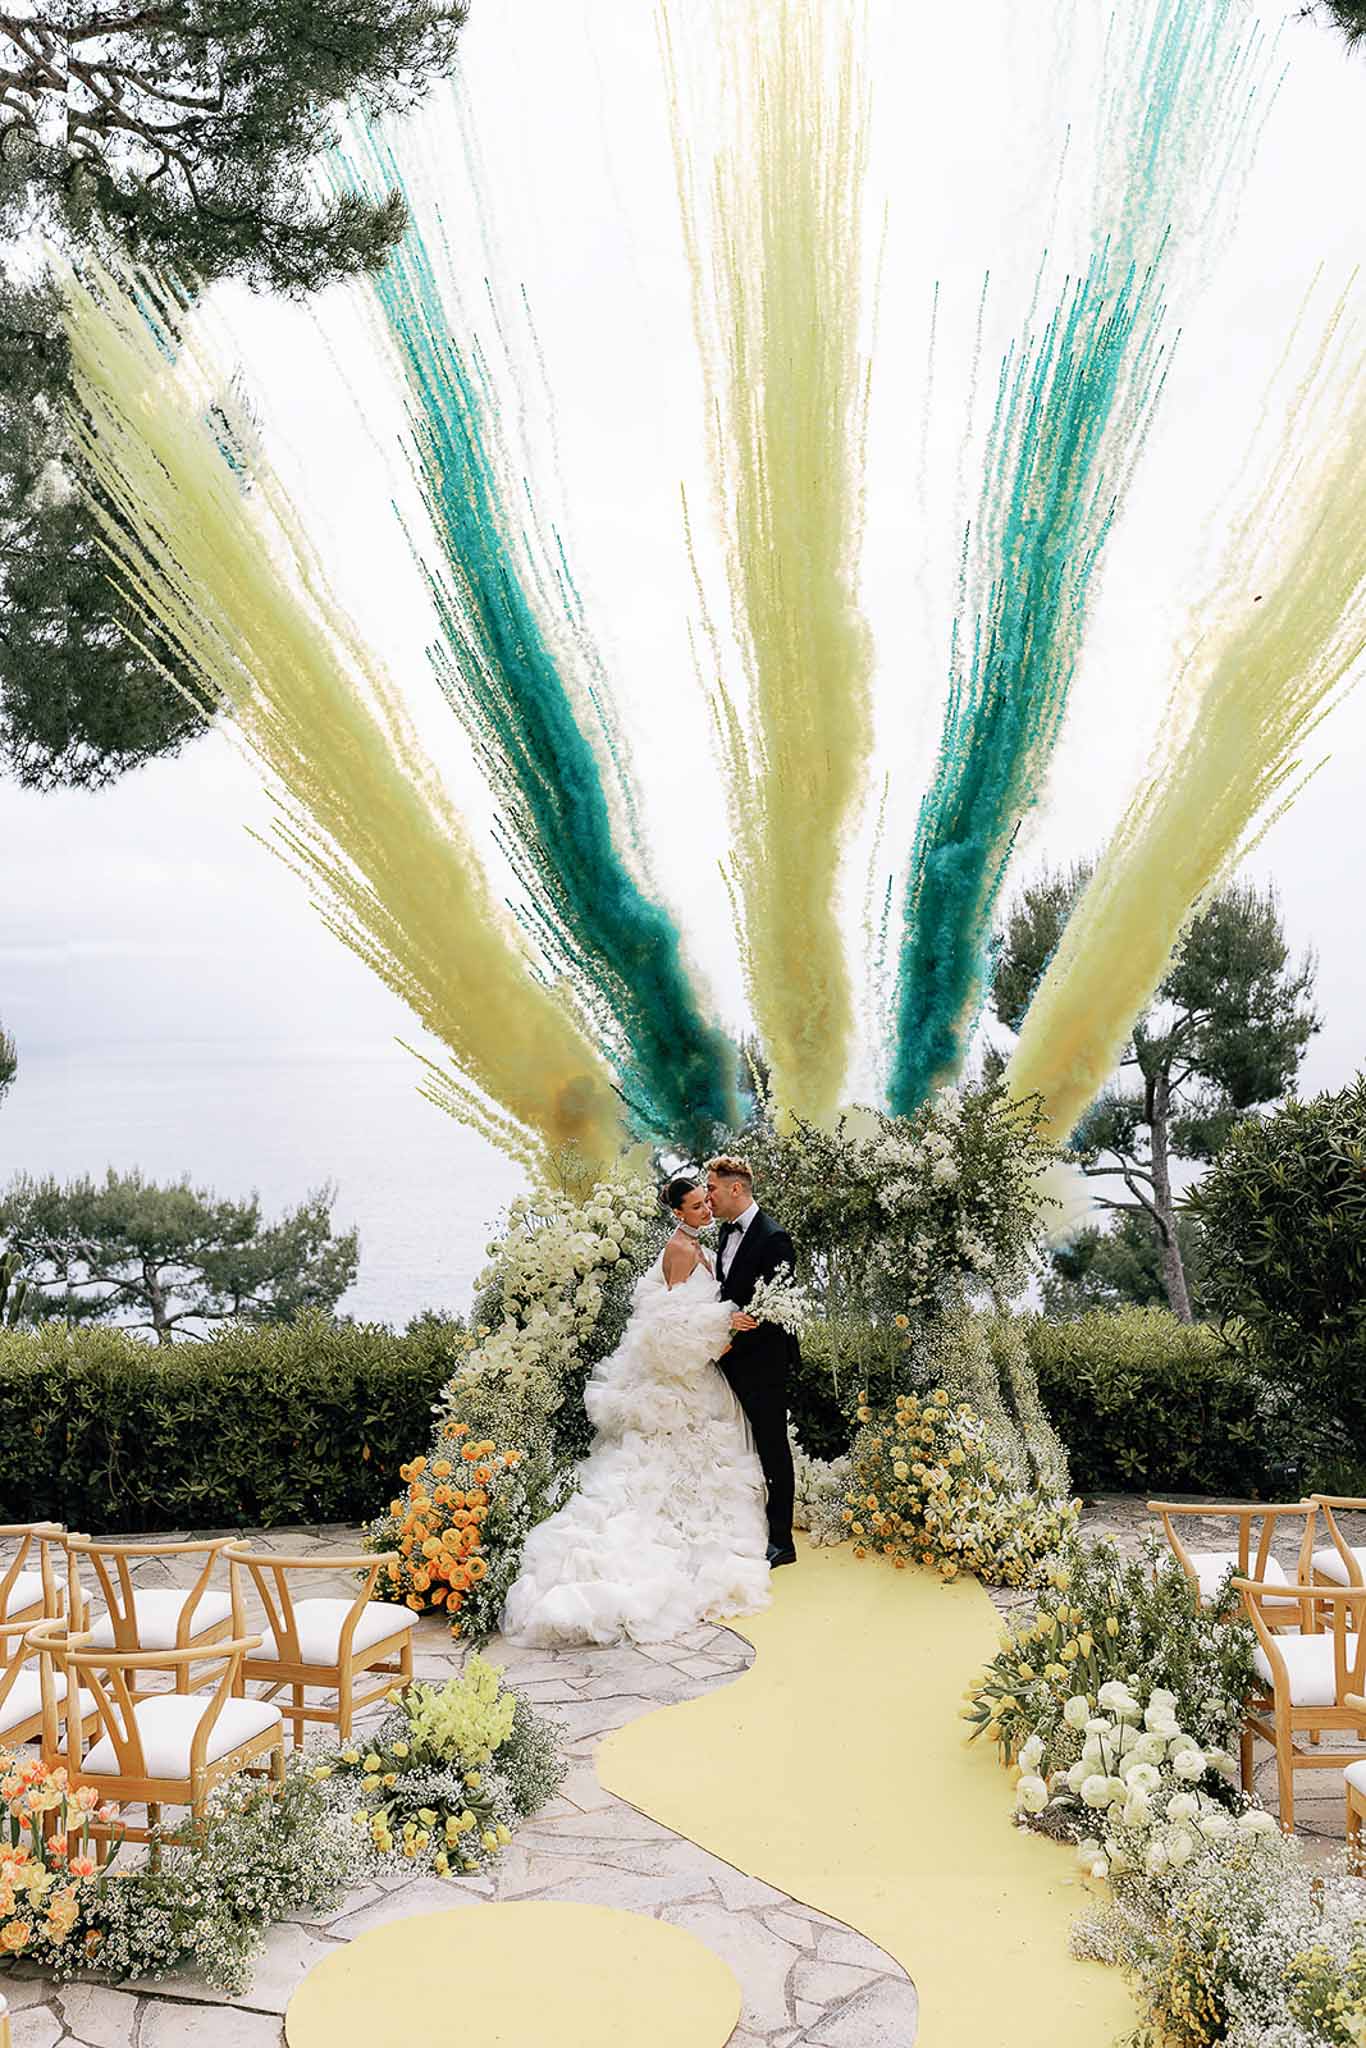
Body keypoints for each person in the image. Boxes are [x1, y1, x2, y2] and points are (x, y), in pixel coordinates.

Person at [499, 1174, 771, 1646]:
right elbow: (665, 1326)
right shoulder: (680, 1250)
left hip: (697, 1378)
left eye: (707, 1203)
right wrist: (724, 1323)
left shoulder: (697, 1244)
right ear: (678, 1214)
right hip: (679, 1383)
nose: (707, 1210)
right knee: (666, 1474)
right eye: (696, 1207)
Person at [705, 1153, 798, 1568]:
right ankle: (747, 1524)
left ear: (735, 1188)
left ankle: (782, 1541)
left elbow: (776, 1306)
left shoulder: (774, 1238)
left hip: (764, 1363)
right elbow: (728, 1294)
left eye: (711, 1188)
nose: (708, 1196)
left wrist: (736, 1337)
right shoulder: (725, 1235)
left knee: (772, 1445)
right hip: (730, 1361)